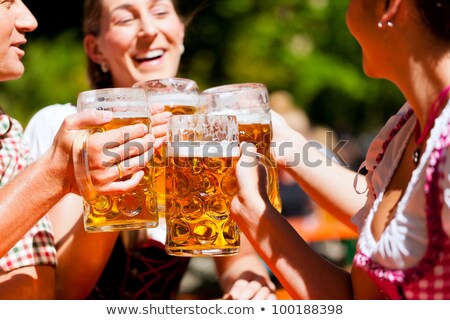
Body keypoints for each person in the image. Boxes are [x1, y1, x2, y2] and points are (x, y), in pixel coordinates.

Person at [24, 0, 276, 300]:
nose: (148, 30)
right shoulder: (64, 127)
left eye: (159, 12)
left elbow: (238, 259)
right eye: (125, 19)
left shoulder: (206, 137)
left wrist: (249, 285)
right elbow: (61, 293)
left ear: (180, 32)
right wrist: (121, 172)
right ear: (96, 50)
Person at [231, 0, 450, 299]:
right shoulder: (411, 124)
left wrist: (255, 214)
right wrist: (283, 144)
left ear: (389, 6)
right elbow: (361, 302)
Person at [0, 0, 153, 299]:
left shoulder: (8, 131)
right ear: (95, 50)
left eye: (161, 11)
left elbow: (41, 291)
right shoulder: (58, 130)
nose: (30, 20)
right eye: (6, 2)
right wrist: (54, 174)